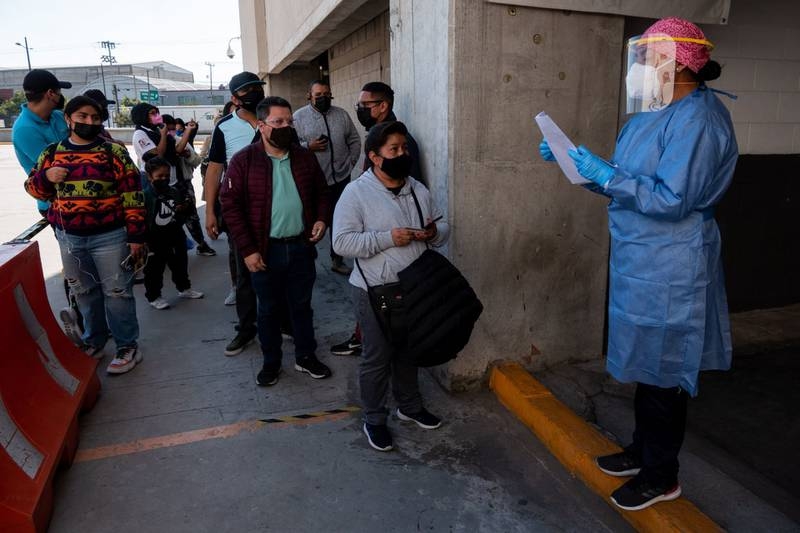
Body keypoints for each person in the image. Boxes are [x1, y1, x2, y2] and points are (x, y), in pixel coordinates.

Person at [540, 17, 737, 511]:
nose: (641, 68)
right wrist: (576, 167)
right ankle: (640, 451)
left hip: (674, 261)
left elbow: (671, 199)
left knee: (665, 371)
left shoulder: (699, 120)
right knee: (648, 365)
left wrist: (604, 173)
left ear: (678, 63)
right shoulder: (649, 116)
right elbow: (624, 183)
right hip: (640, 256)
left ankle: (660, 475)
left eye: (649, 58)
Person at [332, 121, 448, 452]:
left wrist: (435, 233)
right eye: (393, 149)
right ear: (374, 156)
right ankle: (374, 418)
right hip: (375, 291)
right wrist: (388, 238)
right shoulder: (356, 192)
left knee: (410, 350)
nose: (401, 154)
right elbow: (341, 242)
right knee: (377, 357)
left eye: (404, 148)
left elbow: (442, 223)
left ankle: (410, 407)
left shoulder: (417, 189)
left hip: (416, 286)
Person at [24, 95, 146, 375]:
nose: (89, 122)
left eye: (95, 118)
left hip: (110, 237)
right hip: (70, 238)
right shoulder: (51, 153)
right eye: (82, 117)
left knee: (117, 292)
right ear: (68, 119)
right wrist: (46, 178)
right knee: (85, 293)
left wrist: (136, 236)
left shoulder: (113, 152)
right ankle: (95, 340)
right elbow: (33, 188)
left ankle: (128, 346)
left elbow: (132, 195)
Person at [220, 96, 332, 386]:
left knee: (302, 306)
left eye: (289, 122)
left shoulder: (304, 157)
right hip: (264, 251)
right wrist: (247, 250)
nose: (286, 127)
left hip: (300, 247)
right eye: (278, 122)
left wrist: (321, 219)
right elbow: (230, 207)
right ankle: (271, 363)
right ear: (261, 126)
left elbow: (322, 193)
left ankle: (306, 357)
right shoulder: (244, 161)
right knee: (268, 310)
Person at [329, 81, 426, 357]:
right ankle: (362, 336)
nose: (359, 109)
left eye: (365, 105)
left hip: (395, 262)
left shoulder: (397, 143)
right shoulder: (375, 135)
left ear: (383, 106)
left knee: (386, 352)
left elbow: (410, 191)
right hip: (373, 255)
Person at [11, 69, 84, 344]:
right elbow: (57, 167)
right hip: (57, 203)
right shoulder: (25, 130)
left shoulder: (55, 116)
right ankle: (78, 317)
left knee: (89, 261)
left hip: (83, 196)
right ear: (51, 94)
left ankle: (90, 316)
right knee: (76, 260)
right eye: (58, 92)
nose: (61, 97)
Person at [204, 72, 264, 355]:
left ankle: (285, 323)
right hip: (240, 211)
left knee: (282, 269)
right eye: (247, 90)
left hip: (278, 210)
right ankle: (247, 328)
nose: (254, 93)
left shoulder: (274, 117)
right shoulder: (224, 127)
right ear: (235, 98)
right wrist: (210, 212)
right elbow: (215, 169)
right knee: (245, 275)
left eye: (257, 88)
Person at [293, 79, 362, 275]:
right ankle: (307, 259)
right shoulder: (298, 118)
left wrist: (350, 164)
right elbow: (290, 146)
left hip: (340, 178)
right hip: (312, 181)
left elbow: (354, 140)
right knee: (308, 219)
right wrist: (309, 147)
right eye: (318, 95)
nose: (323, 98)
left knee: (339, 219)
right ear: (310, 96)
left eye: (326, 94)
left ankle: (337, 259)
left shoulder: (341, 115)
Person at [141, 156, 204, 309]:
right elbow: (141, 218)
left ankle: (184, 288)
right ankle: (154, 296)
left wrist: (184, 208)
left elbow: (182, 211)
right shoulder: (145, 195)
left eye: (167, 176)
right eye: (159, 176)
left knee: (180, 263)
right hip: (154, 239)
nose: (163, 179)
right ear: (150, 177)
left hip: (175, 234)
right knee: (154, 269)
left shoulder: (175, 192)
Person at [161, 114, 214, 256]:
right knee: (165, 219)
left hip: (183, 184)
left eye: (174, 130)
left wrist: (186, 155)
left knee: (192, 217)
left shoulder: (180, 141)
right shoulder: (157, 145)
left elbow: (196, 161)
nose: (172, 133)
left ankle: (201, 244)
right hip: (164, 187)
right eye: (169, 130)